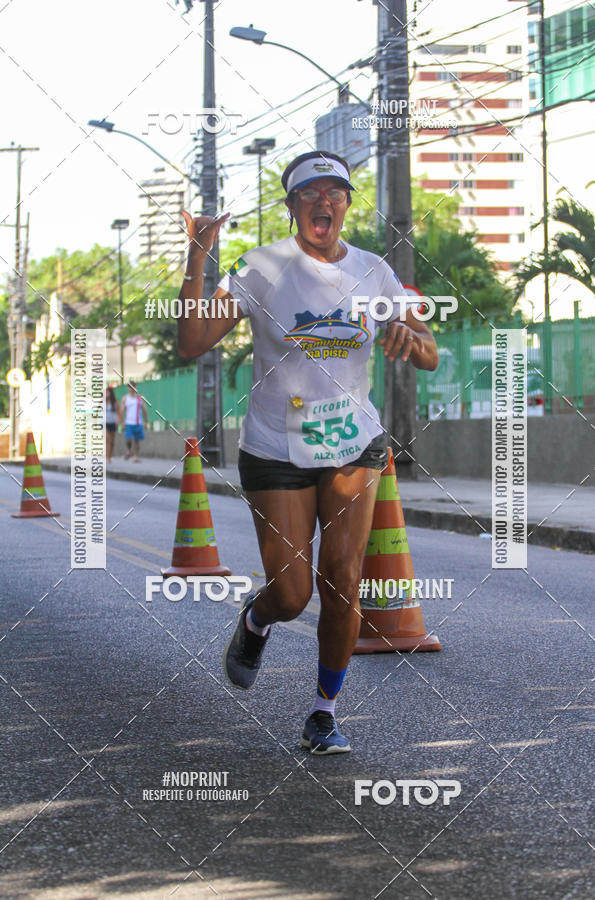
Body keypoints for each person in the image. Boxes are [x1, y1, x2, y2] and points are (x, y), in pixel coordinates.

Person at [178, 150, 439, 754]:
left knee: (342, 582)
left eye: (336, 192)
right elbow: (193, 340)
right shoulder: (263, 266)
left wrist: (410, 334)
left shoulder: (374, 272)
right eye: (311, 193)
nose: (325, 202)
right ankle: (256, 619)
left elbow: (427, 349)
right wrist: (200, 256)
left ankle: (324, 712)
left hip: (354, 443)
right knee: (293, 594)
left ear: (347, 204)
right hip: (276, 447)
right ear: (293, 206)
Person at [120, 381, 148, 462]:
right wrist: (122, 422)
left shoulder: (140, 398)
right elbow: (122, 410)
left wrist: (146, 421)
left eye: (133, 386)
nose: (132, 388)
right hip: (129, 423)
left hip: (138, 422)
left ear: (136, 387)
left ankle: (135, 456)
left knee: (137, 440)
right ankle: (129, 451)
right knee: (128, 439)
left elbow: (144, 410)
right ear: (128, 388)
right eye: (130, 387)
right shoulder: (125, 398)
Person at [105, 386, 118, 463]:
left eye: (107, 392)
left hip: (112, 422)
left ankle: (110, 455)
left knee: (112, 441)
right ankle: (107, 457)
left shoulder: (115, 402)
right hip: (104, 423)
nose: (106, 394)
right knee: (107, 439)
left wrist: (119, 421)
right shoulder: (102, 402)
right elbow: (96, 412)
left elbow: (119, 412)